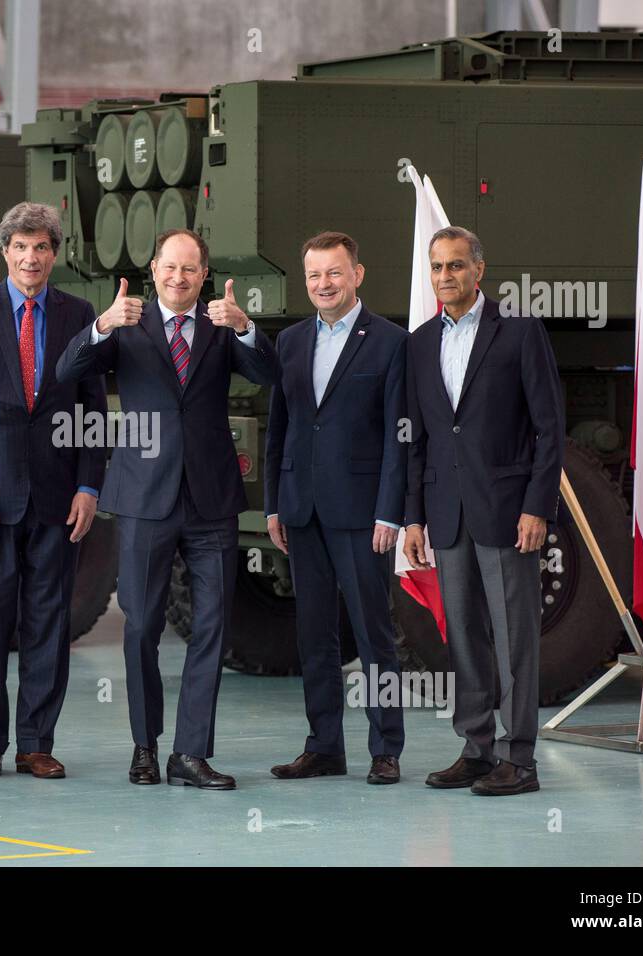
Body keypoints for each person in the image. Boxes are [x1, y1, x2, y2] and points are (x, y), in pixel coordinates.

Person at [57, 228, 281, 790]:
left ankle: (191, 753)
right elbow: (66, 371)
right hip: (143, 497)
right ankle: (144, 746)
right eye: (169, 267)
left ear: (204, 275)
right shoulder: (125, 325)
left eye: (190, 269)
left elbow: (274, 376)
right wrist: (101, 324)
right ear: (153, 269)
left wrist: (248, 329)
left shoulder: (221, 326)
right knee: (142, 626)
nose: (178, 277)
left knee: (211, 625)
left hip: (211, 500)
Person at [0, 202, 107, 780]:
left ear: (54, 254)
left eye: (41, 248)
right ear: (4, 251)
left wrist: (89, 485)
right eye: (20, 247)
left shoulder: (80, 314)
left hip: (60, 500)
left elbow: (91, 411)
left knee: (49, 621)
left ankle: (36, 742)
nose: (30, 257)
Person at [403, 226, 564, 796]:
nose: (446, 276)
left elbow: (550, 428)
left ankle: (520, 759)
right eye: (437, 267)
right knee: (465, 636)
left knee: (514, 636)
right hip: (446, 515)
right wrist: (414, 516)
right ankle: (476, 749)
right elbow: (418, 439)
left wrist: (536, 506)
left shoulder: (519, 334)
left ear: (479, 269)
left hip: (505, 512)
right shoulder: (419, 342)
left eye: (456, 266)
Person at [264, 231, 408, 785]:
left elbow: (401, 437)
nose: (324, 284)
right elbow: (280, 428)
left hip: (362, 514)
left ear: (358, 275)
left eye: (334, 273)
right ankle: (323, 746)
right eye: (314, 276)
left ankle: (385, 748)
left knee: (374, 634)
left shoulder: (390, 342)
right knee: (314, 635)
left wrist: (389, 511)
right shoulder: (292, 341)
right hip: (301, 511)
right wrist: (275, 502)